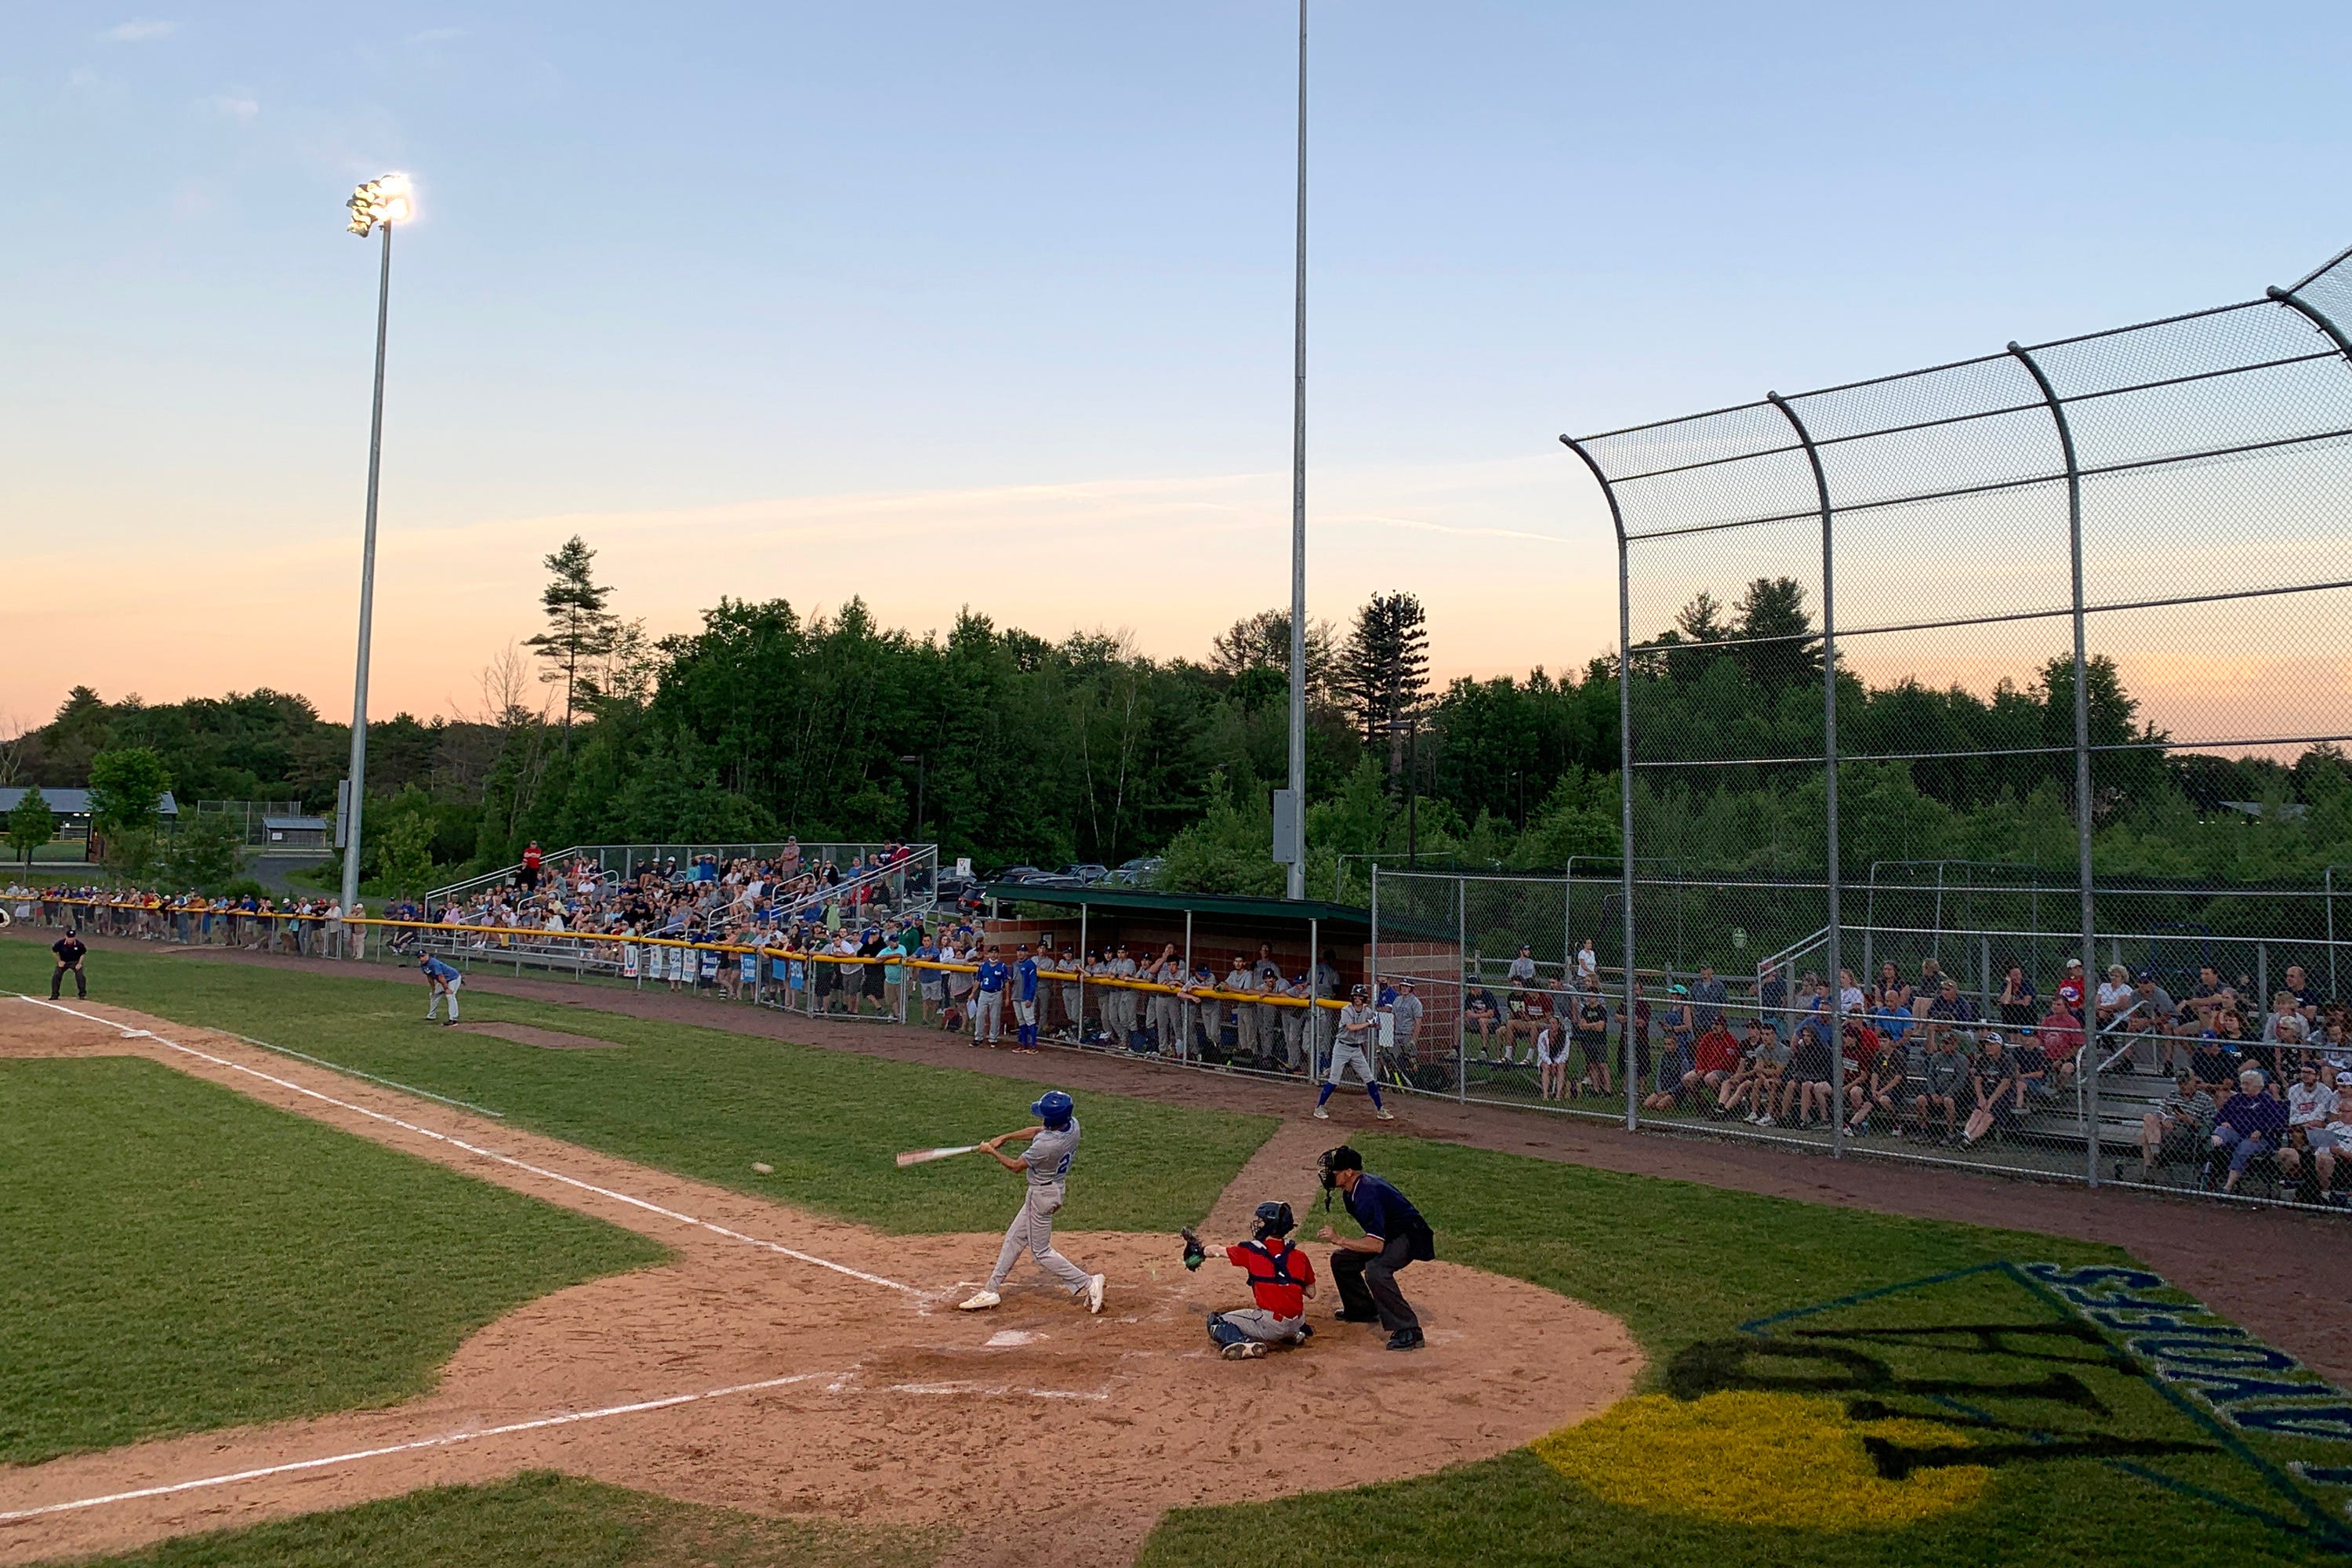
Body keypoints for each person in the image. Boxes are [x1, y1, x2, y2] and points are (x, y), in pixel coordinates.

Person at [957, 1090, 1105, 1315]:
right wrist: (1005, 1137)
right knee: (1015, 1238)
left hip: (1042, 1196)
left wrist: (990, 1152)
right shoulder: (1073, 1125)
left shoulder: (1046, 1147)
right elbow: (1039, 1130)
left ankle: (1087, 1282)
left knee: (1041, 1251)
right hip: (1052, 1189)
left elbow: (1016, 1166)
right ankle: (991, 1290)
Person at [1316, 1145, 1432, 1352]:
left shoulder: (1367, 1192)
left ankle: (1410, 1330)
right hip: (1391, 1235)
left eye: (1334, 1171)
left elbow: (1376, 1245)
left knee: (1377, 1270)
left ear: (1348, 1172)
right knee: (1342, 1261)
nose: (1328, 1175)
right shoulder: (1351, 1192)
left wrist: (1340, 1239)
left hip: (1410, 1236)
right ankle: (1361, 1309)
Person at [1196, 1201, 1318, 1360]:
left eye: (1262, 1221)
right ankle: (1293, 1335)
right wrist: (1288, 1283)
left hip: (1271, 1325)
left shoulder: (1251, 1252)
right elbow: (1311, 1293)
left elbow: (1217, 1251)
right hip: (1297, 1322)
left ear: (1270, 1225)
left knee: (1217, 1321)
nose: (1259, 1225)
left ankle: (1242, 1343)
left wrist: (1201, 1251)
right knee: (1286, 1318)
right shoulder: (1300, 1256)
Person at [1314, 985, 1392, 1121]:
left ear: (1364, 998)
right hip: (1342, 1048)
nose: (1357, 999)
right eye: (1355, 996)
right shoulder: (1346, 1010)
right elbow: (1351, 1028)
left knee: (1369, 1079)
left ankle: (1380, 1109)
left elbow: (1379, 1025)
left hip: (1356, 1049)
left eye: (1360, 997)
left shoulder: (1368, 1011)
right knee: (1334, 1080)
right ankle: (1319, 1107)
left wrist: (1376, 1021)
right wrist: (1368, 1023)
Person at [2206, 1068, 2287, 1193]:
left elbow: (2278, 1121)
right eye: (2242, 1083)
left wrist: (2261, 1130)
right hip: (2236, 1135)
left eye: (2247, 1084)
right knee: (2221, 1130)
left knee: (2245, 1147)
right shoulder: (2236, 1099)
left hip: (2259, 1139)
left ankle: (2227, 1187)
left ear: (2258, 1085)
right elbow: (2219, 1116)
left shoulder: (2267, 1101)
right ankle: (2212, 1148)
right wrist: (2224, 1122)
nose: (2243, 1086)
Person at [2138, 1071, 2219, 1181]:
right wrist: (2165, 1119)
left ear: (2193, 1081)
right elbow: (2158, 1113)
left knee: (2144, 1136)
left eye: (2185, 1083)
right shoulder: (2172, 1095)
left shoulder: (2206, 1100)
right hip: (2164, 1130)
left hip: (2187, 1134)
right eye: (2180, 1083)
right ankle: (2154, 1152)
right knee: (2148, 1117)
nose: (2183, 1086)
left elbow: (2210, 1125)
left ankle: (2150, 1166)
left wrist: (2189, 1120)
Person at [973, 945, 1010, 1046]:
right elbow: (978, 981)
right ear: (988, 954)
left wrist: (1007, 997)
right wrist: (972, 994)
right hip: (984, 992)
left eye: (995, 952)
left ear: (998, 954)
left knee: (994, 1016)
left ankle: (993, 1038)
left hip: (996, 993)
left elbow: (1006, 982)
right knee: (980, 1015)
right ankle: (978, 1037)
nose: (993, 954)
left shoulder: (1002, 966)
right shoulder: (983, 966)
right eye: (992, 952)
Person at [419, 953, 463, 1024]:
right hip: (444, 980)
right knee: (433, 994)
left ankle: (453, 1019)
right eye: (420, 957)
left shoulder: (434, 963)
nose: (421, 959)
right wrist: (433, 988)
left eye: (423, 956)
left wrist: (446, 989)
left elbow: (441, 977)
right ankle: (432, 1016)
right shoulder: (423, 965)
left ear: (427, 955)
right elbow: (429, 977)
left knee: (450, 995)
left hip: (453, 978)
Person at [50, 926, 89, 1000]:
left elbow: (82, 954)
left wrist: (79, 963)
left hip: (75, 962)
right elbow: (54, 952)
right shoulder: (60, 943)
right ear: (66, 937)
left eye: (72, 938)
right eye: (69, 937)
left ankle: (82, 994)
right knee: (57, 974)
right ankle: (54, 994)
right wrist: (59, 961)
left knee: (80, 976)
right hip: (64, 962)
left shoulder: (79, 944)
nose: (70, 939)